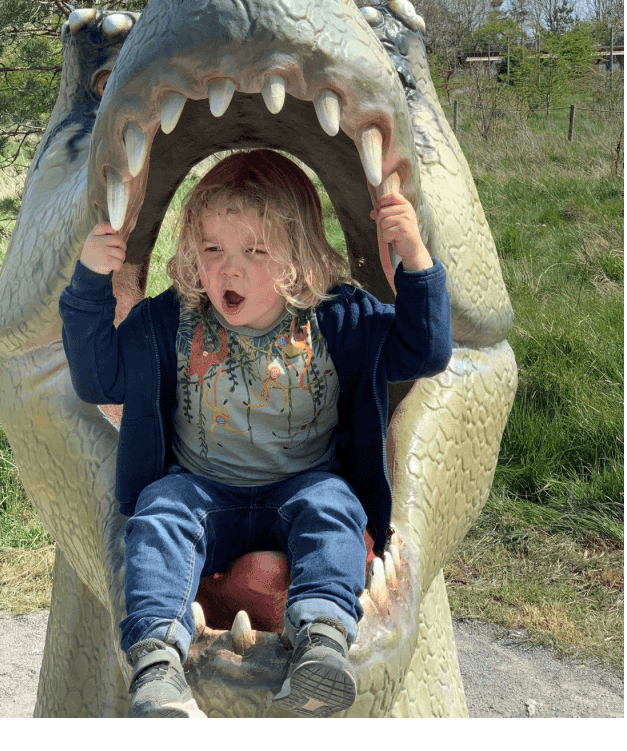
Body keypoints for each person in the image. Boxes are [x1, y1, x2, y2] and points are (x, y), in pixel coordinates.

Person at [59, 150, 452, 719]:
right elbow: (98, 377)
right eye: (212, 250)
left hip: (302, 484)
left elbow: (425, 351)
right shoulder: (171, 321)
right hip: (203, 489)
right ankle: (157, 668)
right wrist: (90, 281)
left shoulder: (337, 319)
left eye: (255, 251)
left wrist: (416, 262)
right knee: (159, 513)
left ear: (299, 257)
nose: (229, 270)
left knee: (334, 507)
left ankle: (322, 643)